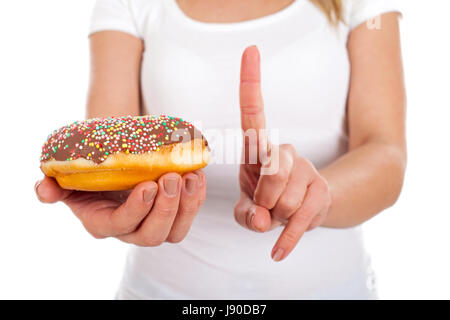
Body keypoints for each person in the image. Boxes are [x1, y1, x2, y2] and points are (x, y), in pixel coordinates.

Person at [35, 0, 406, 299]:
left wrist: (315, 196)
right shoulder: (128, 5)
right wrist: (115, 200)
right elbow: (107, 141)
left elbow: (385, 151)